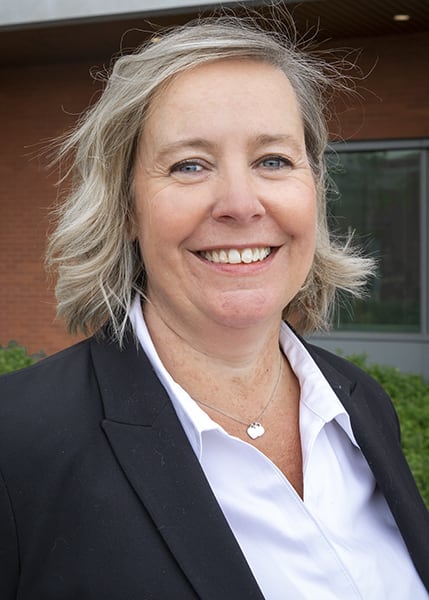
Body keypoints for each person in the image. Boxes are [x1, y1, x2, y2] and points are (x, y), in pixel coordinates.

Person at [0, 13, 428, 600]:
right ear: (126, 206)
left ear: (314, 187)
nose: (239, 203)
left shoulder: (360, 405)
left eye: (273, 160)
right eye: (189, 165)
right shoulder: (16, 441)